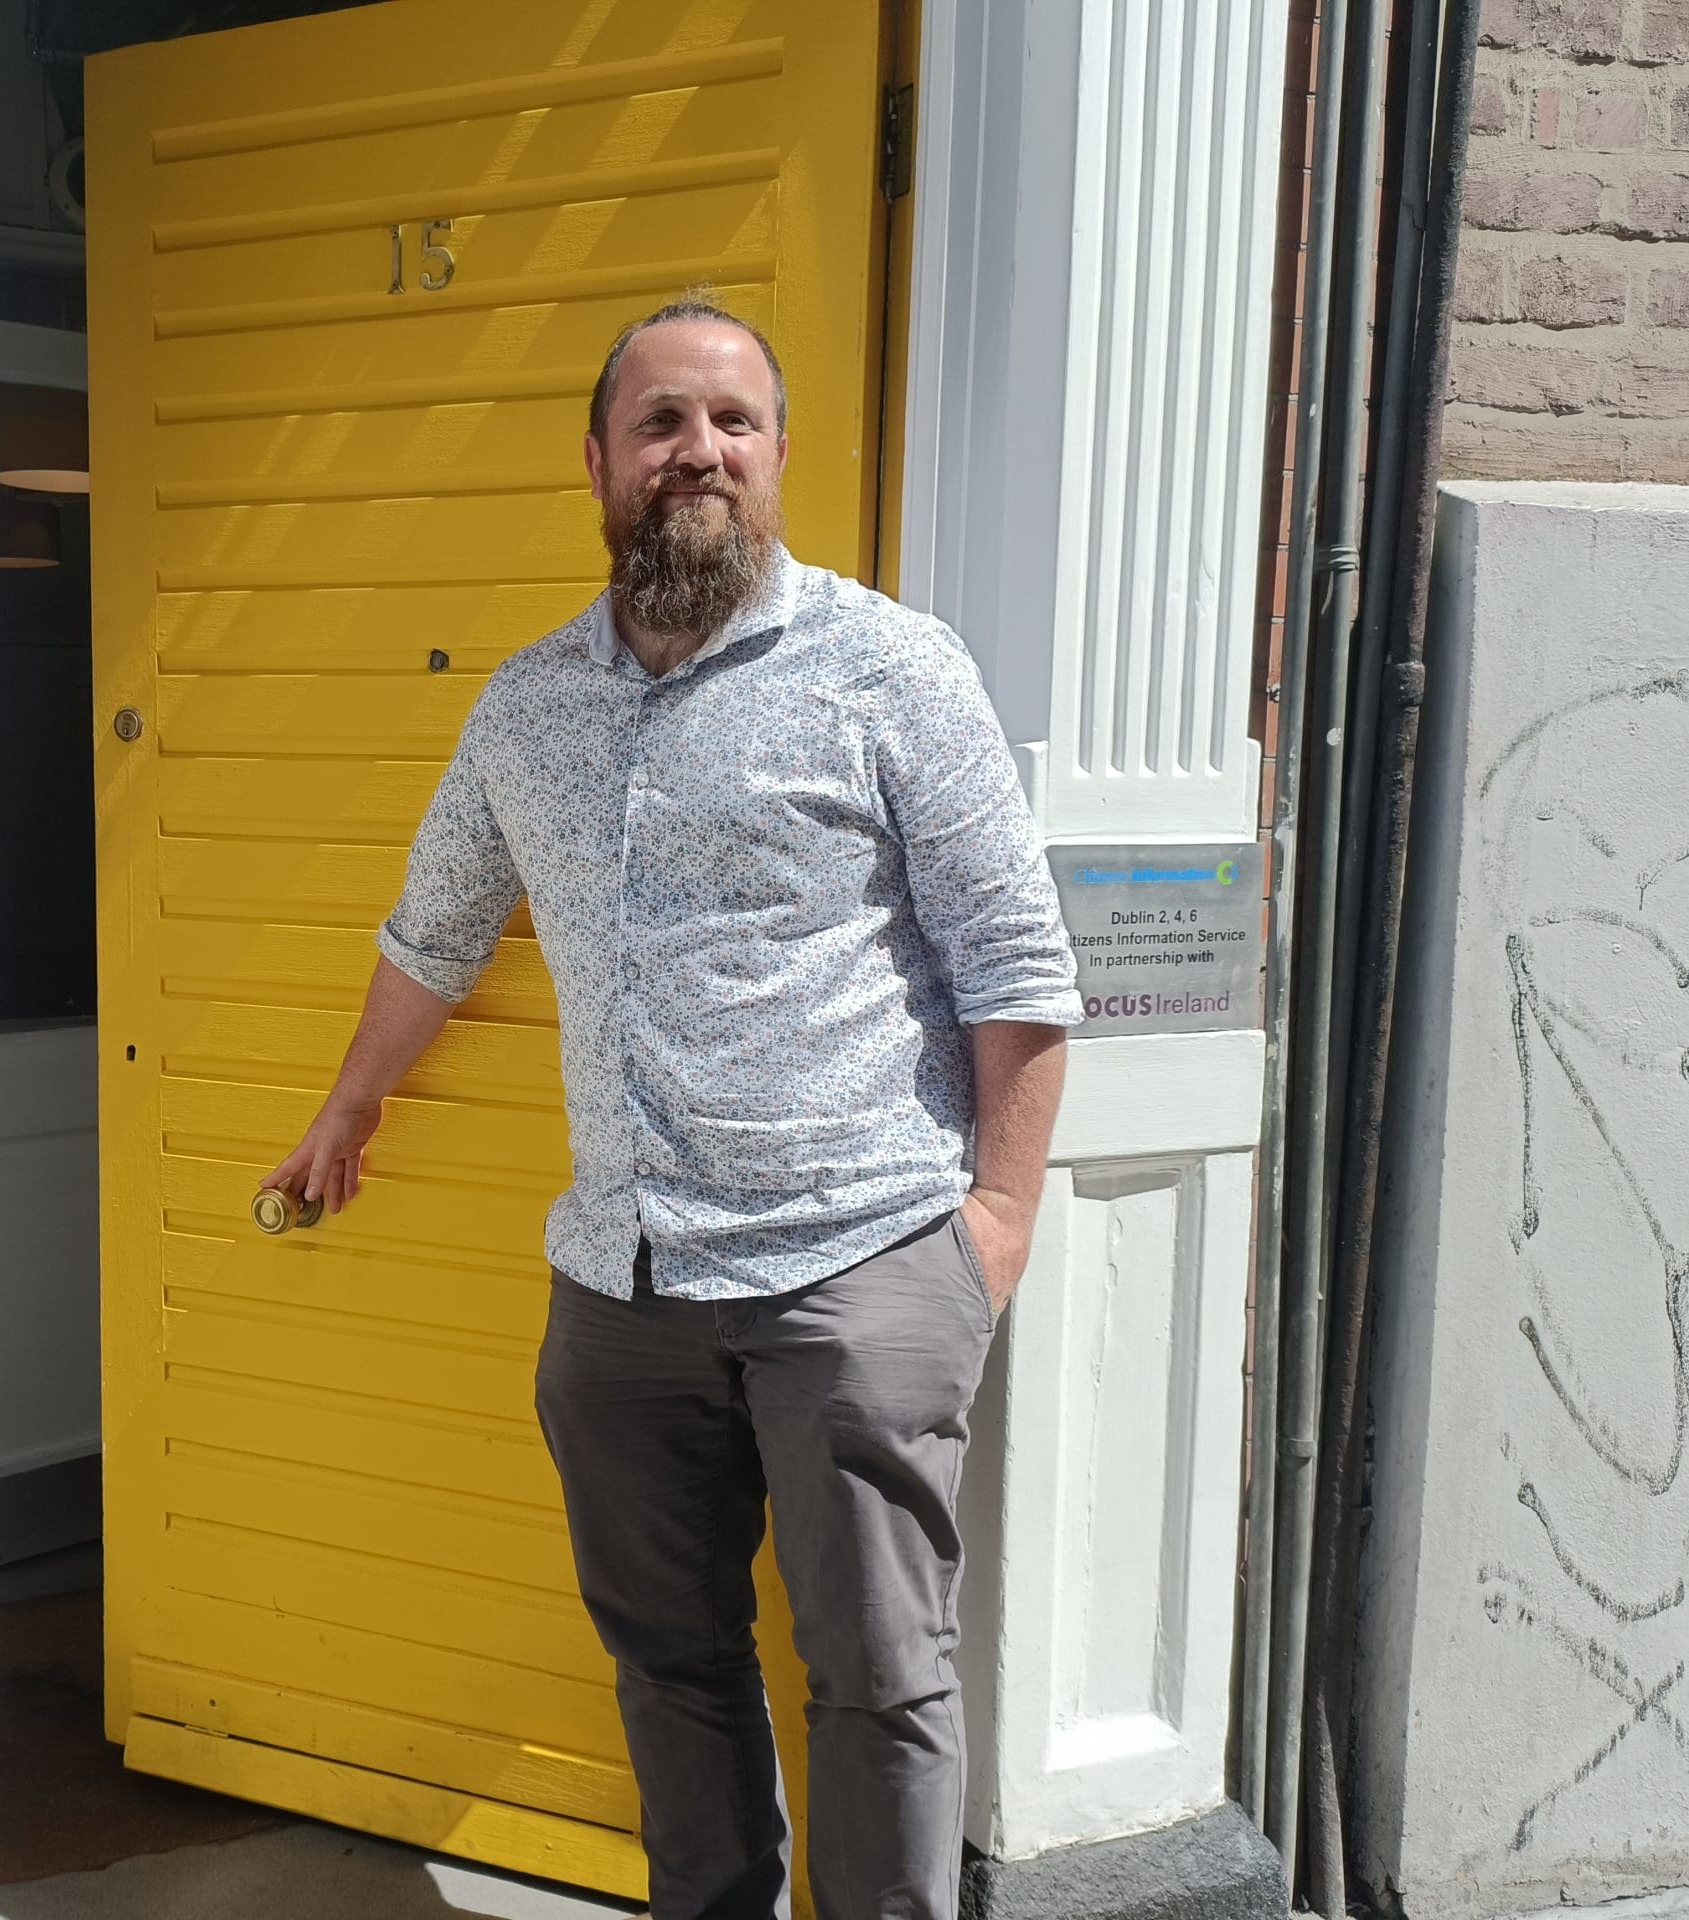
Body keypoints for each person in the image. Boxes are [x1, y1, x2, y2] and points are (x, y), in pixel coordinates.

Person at [261, 297, 1080, 1920]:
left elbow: (1019, 963)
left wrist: (991, 1230)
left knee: (879, 1680)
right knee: (671, 1667)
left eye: (732, 423)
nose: (696, 451)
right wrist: (347, 1108)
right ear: (599, 464)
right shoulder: (525, 706)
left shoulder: (893, 670)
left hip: (855, 1268)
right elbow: (436, 931)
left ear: (776, 457)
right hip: (619, 1290)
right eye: (660, 424)